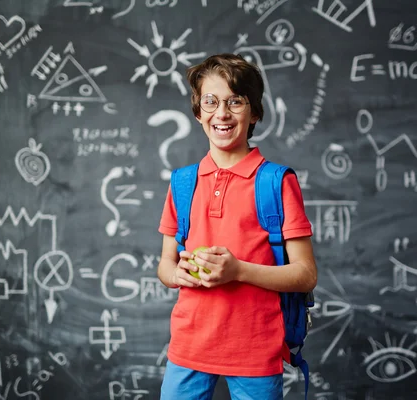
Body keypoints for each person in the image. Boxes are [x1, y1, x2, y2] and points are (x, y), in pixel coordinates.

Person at [157, 53, 317, 400]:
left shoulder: (275, 182)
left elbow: (305, 275)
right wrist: (177, 274)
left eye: (236, 101)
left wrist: (238, 271)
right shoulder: (183, 183)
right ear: (198, 113)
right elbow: (166, 264)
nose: (222, 113)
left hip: (255, 350)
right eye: (211, 102)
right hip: (188, 346)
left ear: (254, 112)